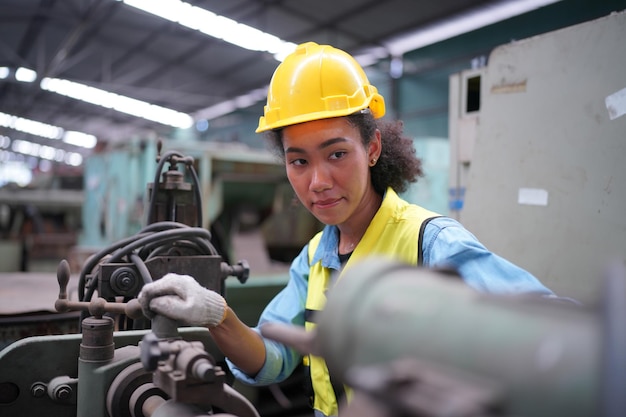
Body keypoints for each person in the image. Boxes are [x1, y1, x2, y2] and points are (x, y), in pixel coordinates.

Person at [138, 42, 555, 417]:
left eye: (336, 153)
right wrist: (217, 315)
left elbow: (555, 336)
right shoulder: (315, 258)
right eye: (298, 161)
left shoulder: (431, 244)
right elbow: (270, 361)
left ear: (372, 149)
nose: (317, 181)